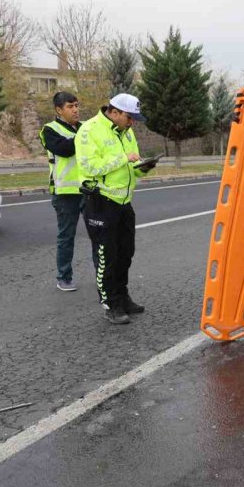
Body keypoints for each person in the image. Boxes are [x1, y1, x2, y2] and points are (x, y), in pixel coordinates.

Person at [75, 94, 158, 325]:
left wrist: (144, 167)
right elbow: (89, 167)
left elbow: (132, 168)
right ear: (114, 112)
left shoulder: (126, 132)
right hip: (101, 202)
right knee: (106, 257)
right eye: (129, 118)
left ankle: (122, 297)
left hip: (124, 202)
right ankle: (110, 304)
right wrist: (123, 158)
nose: (132, 123)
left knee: (125, 254)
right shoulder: (89, 130)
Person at [39, 91, 83, 291]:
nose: (75, 110)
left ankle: (104, 277)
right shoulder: (49, 130)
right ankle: (64, 278)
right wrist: (85, 137)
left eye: (77, 105)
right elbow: (65, 149)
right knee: (66, 237)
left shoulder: (84, 127)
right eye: (70, 106)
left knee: (99, 235)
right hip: (65, 192)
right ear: (59, 110)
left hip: (89, 190)